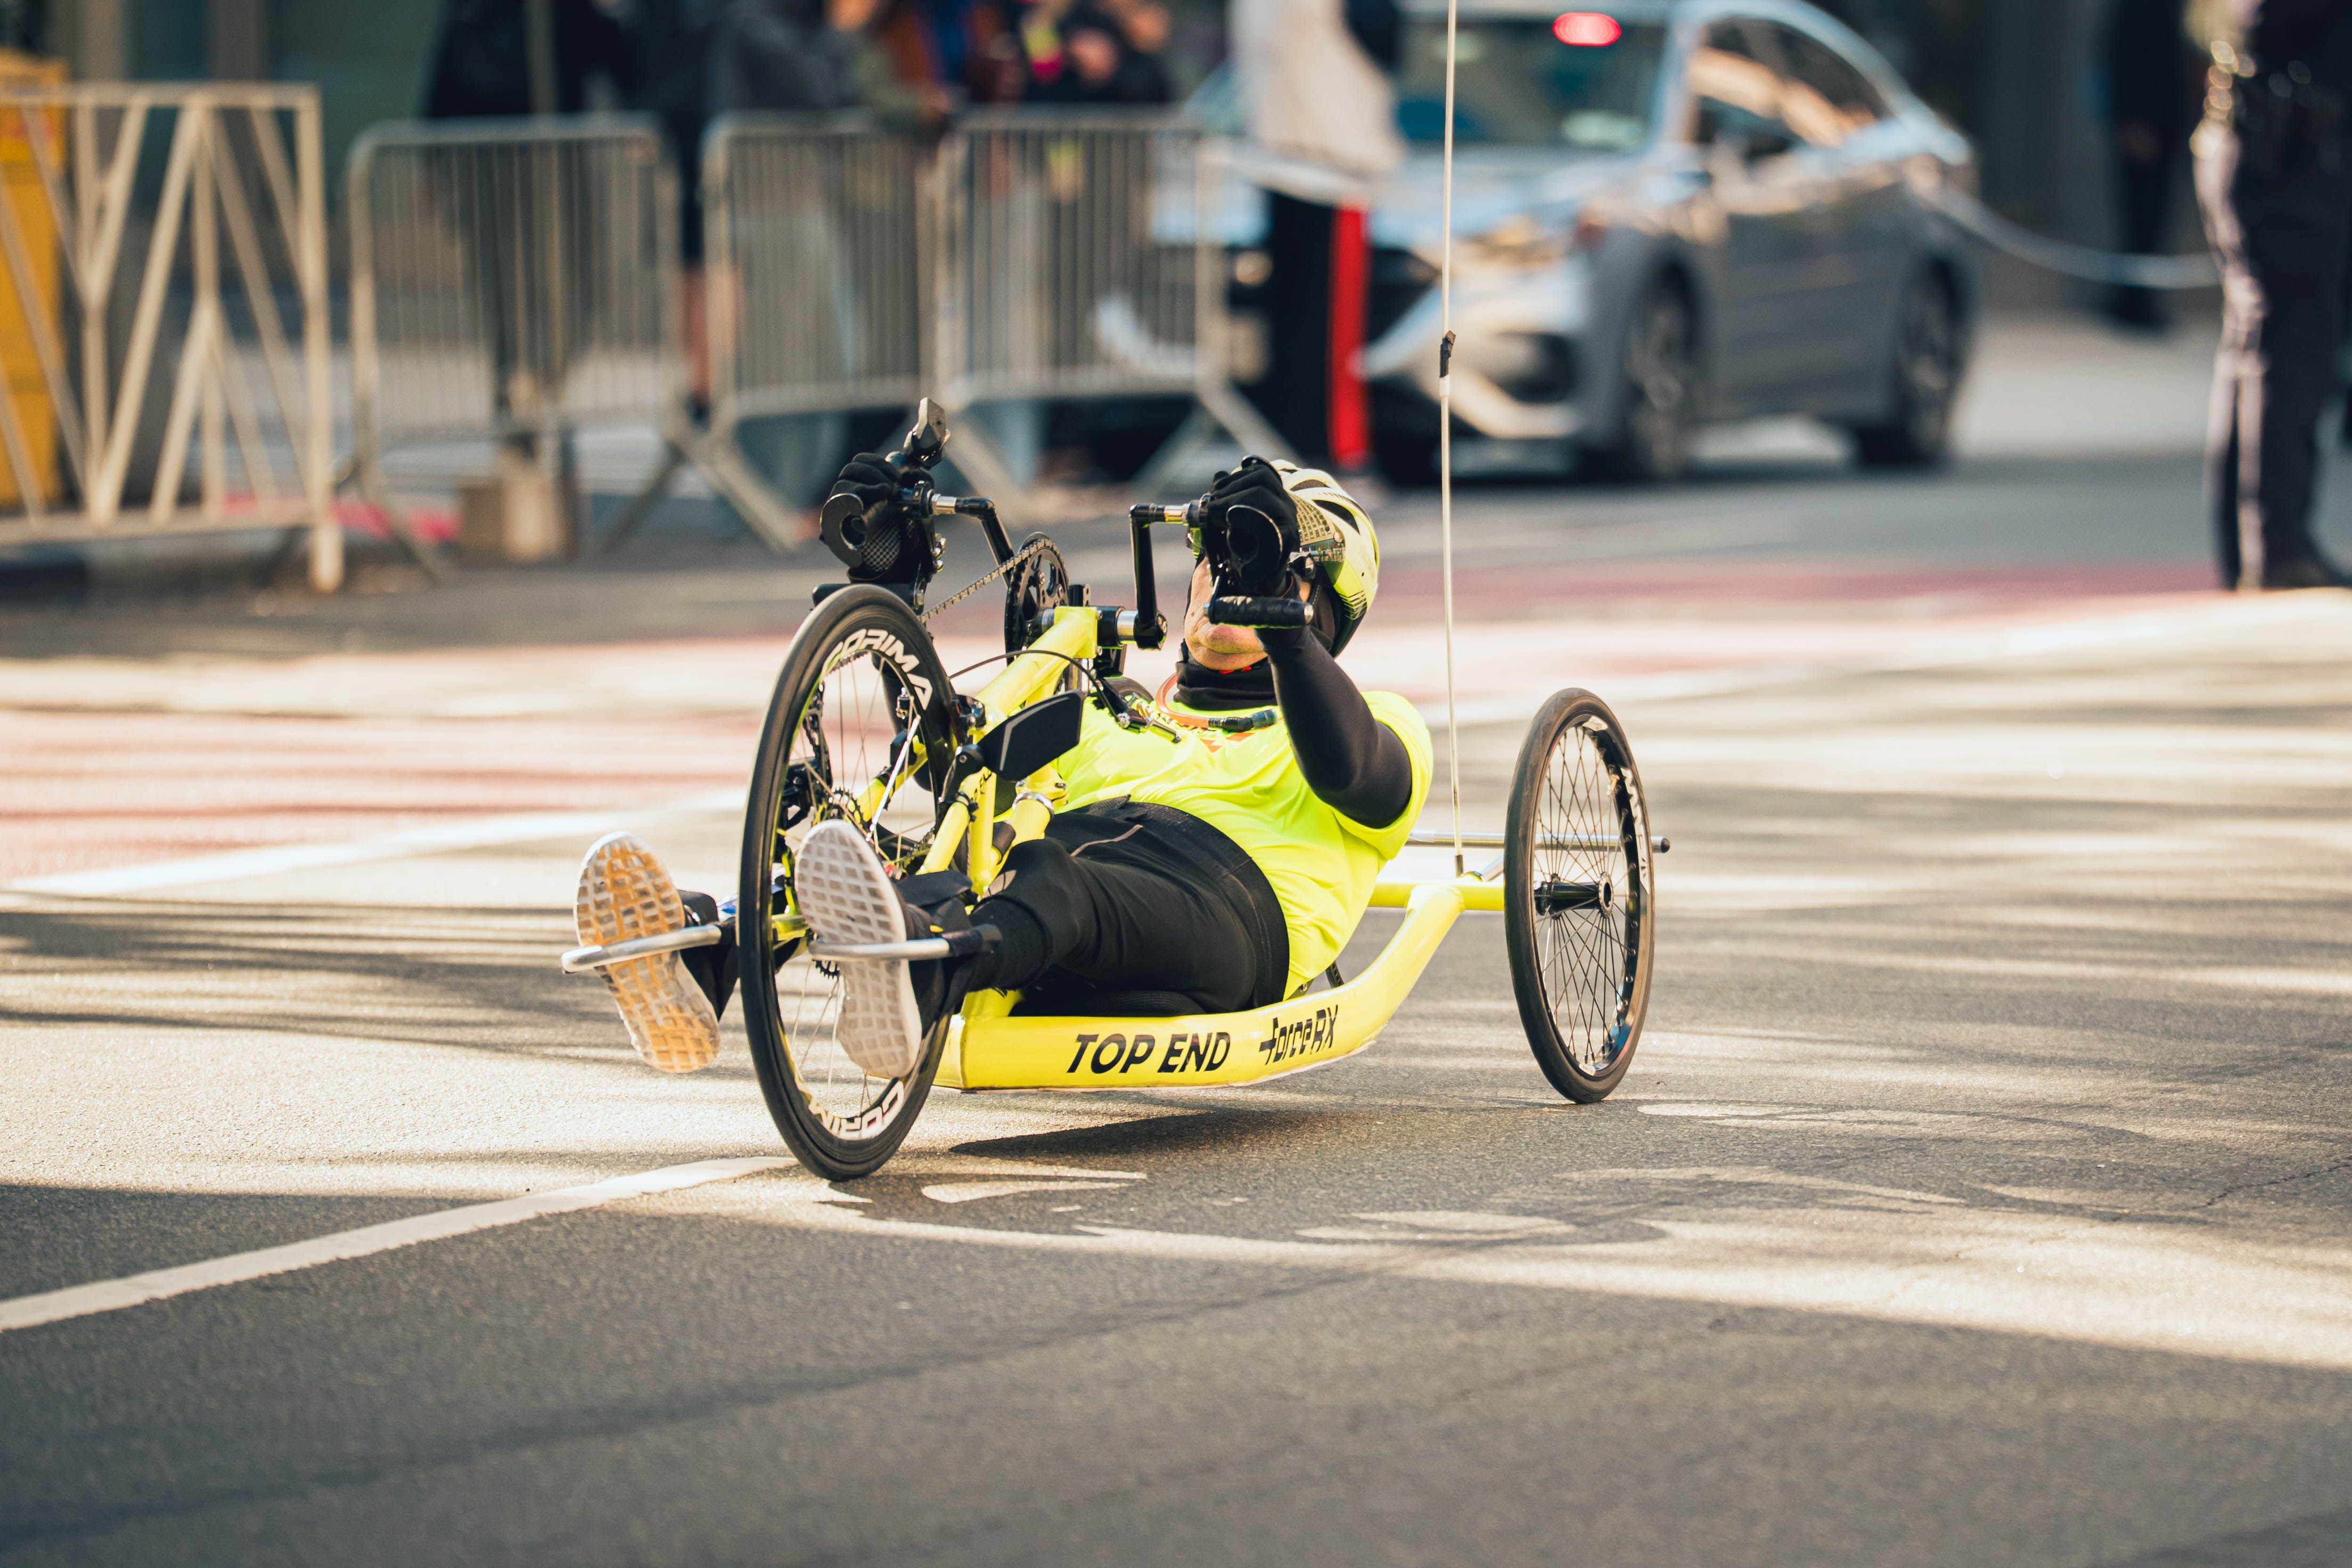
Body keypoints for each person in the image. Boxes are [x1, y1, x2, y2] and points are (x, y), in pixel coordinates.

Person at [574, 456, 1429, 1074]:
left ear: (1323, 601)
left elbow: (1357, 775)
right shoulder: (1112, 707)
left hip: (1231, 914)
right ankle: (709, 949)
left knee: (1053, 871)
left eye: (1264, 565)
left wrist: (1279, 624)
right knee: (941, 853)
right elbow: (952, 762)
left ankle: (924, 972)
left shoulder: (1375, 721)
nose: (1223, 579)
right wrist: (891, 589)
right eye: (1219, 558)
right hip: (1053, 898)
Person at [2194, 0, 2352, 589]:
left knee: (2259, 350)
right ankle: (2276, 545)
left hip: (2272, 158)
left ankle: (2258, 546)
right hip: (2288, 166)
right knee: (2289, 356)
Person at [1230, 0, 1404, 473]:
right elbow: (1387, 38)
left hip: (1287, 156)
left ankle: (1298, 451)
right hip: (1331, 159)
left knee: (1294, 327)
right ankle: (1334, 453)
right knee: (1326, 331)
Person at [2103, 0, 2203, 330]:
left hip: (2170, 122)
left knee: (2158, 216)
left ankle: (2144, 301)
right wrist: (2130, 120)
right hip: (2143, 124)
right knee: (2139, 216)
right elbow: (2121, 56)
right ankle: (2131, 303)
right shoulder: (2136, 7)